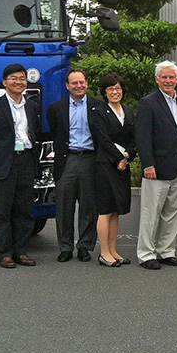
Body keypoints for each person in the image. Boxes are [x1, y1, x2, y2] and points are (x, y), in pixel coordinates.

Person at [135, 61, 177, 270]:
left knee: (172, 213)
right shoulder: (148, 102)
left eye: (172, 77)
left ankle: (166, 251)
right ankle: (146, 254)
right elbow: (142, 136)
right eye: (164, 77)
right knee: (151, 214)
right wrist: (147, 164)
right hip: (156, 168)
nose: (168, 81)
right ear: (157, 79)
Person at [0, 63, 40, 268]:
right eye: (14, 78)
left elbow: (35, 132)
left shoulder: (32, 106)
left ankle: (21, 251)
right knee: (3, 210)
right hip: (5, 162)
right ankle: (4, 253)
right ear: (5, 82)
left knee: (24, 209)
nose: (19, 82)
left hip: (26, 159)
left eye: (22, 78)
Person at [47, 69, 108, 263]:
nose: (79, 86)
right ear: (68, 86)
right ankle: (65, 247)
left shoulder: (98, 105)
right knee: (64, 207)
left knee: (88, 206)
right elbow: (54, 133)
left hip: (90, 159)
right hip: (67, 159)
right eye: (74, 83)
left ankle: (84, 247)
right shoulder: (56, 108)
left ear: (87, 84)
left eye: (82, 82)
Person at [92, 73, 137, 267]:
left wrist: (127, 156)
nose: (114, 92)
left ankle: (113, 250)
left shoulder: (128, 111)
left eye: (117, 88)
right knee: (105, 209)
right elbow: (102, 139)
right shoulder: (99, 111)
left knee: (117, 210)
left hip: (123, 165)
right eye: (110, 89)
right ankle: (104, 253)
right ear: (104, 92)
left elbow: (134, 138)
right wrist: (118, 158)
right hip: (105, 164)